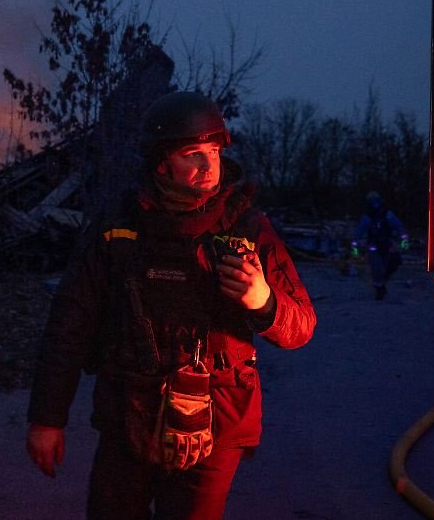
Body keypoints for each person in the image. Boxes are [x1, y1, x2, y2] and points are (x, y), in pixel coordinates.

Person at [26, 91, 317, 519]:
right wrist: (47, 418)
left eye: (214, 152)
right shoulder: (119, 227)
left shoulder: (247, 228)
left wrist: (264, 300)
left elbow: (302, 326)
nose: (208, 165)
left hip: (216, 424)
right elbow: (71, 324)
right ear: (162, 162)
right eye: (192, 154)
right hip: (128, 411)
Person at [351, 191, 409, 300]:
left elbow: (399, 227)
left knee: (393, 263)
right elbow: (358, 233)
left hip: (388, 244)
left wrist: (404, 240)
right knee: (376, 268)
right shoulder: (367, 217)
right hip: (374, 246)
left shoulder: (388, 214)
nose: (374, 203)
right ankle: (379, 289)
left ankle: (382, 284)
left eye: (376, 200)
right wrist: (355, 247)